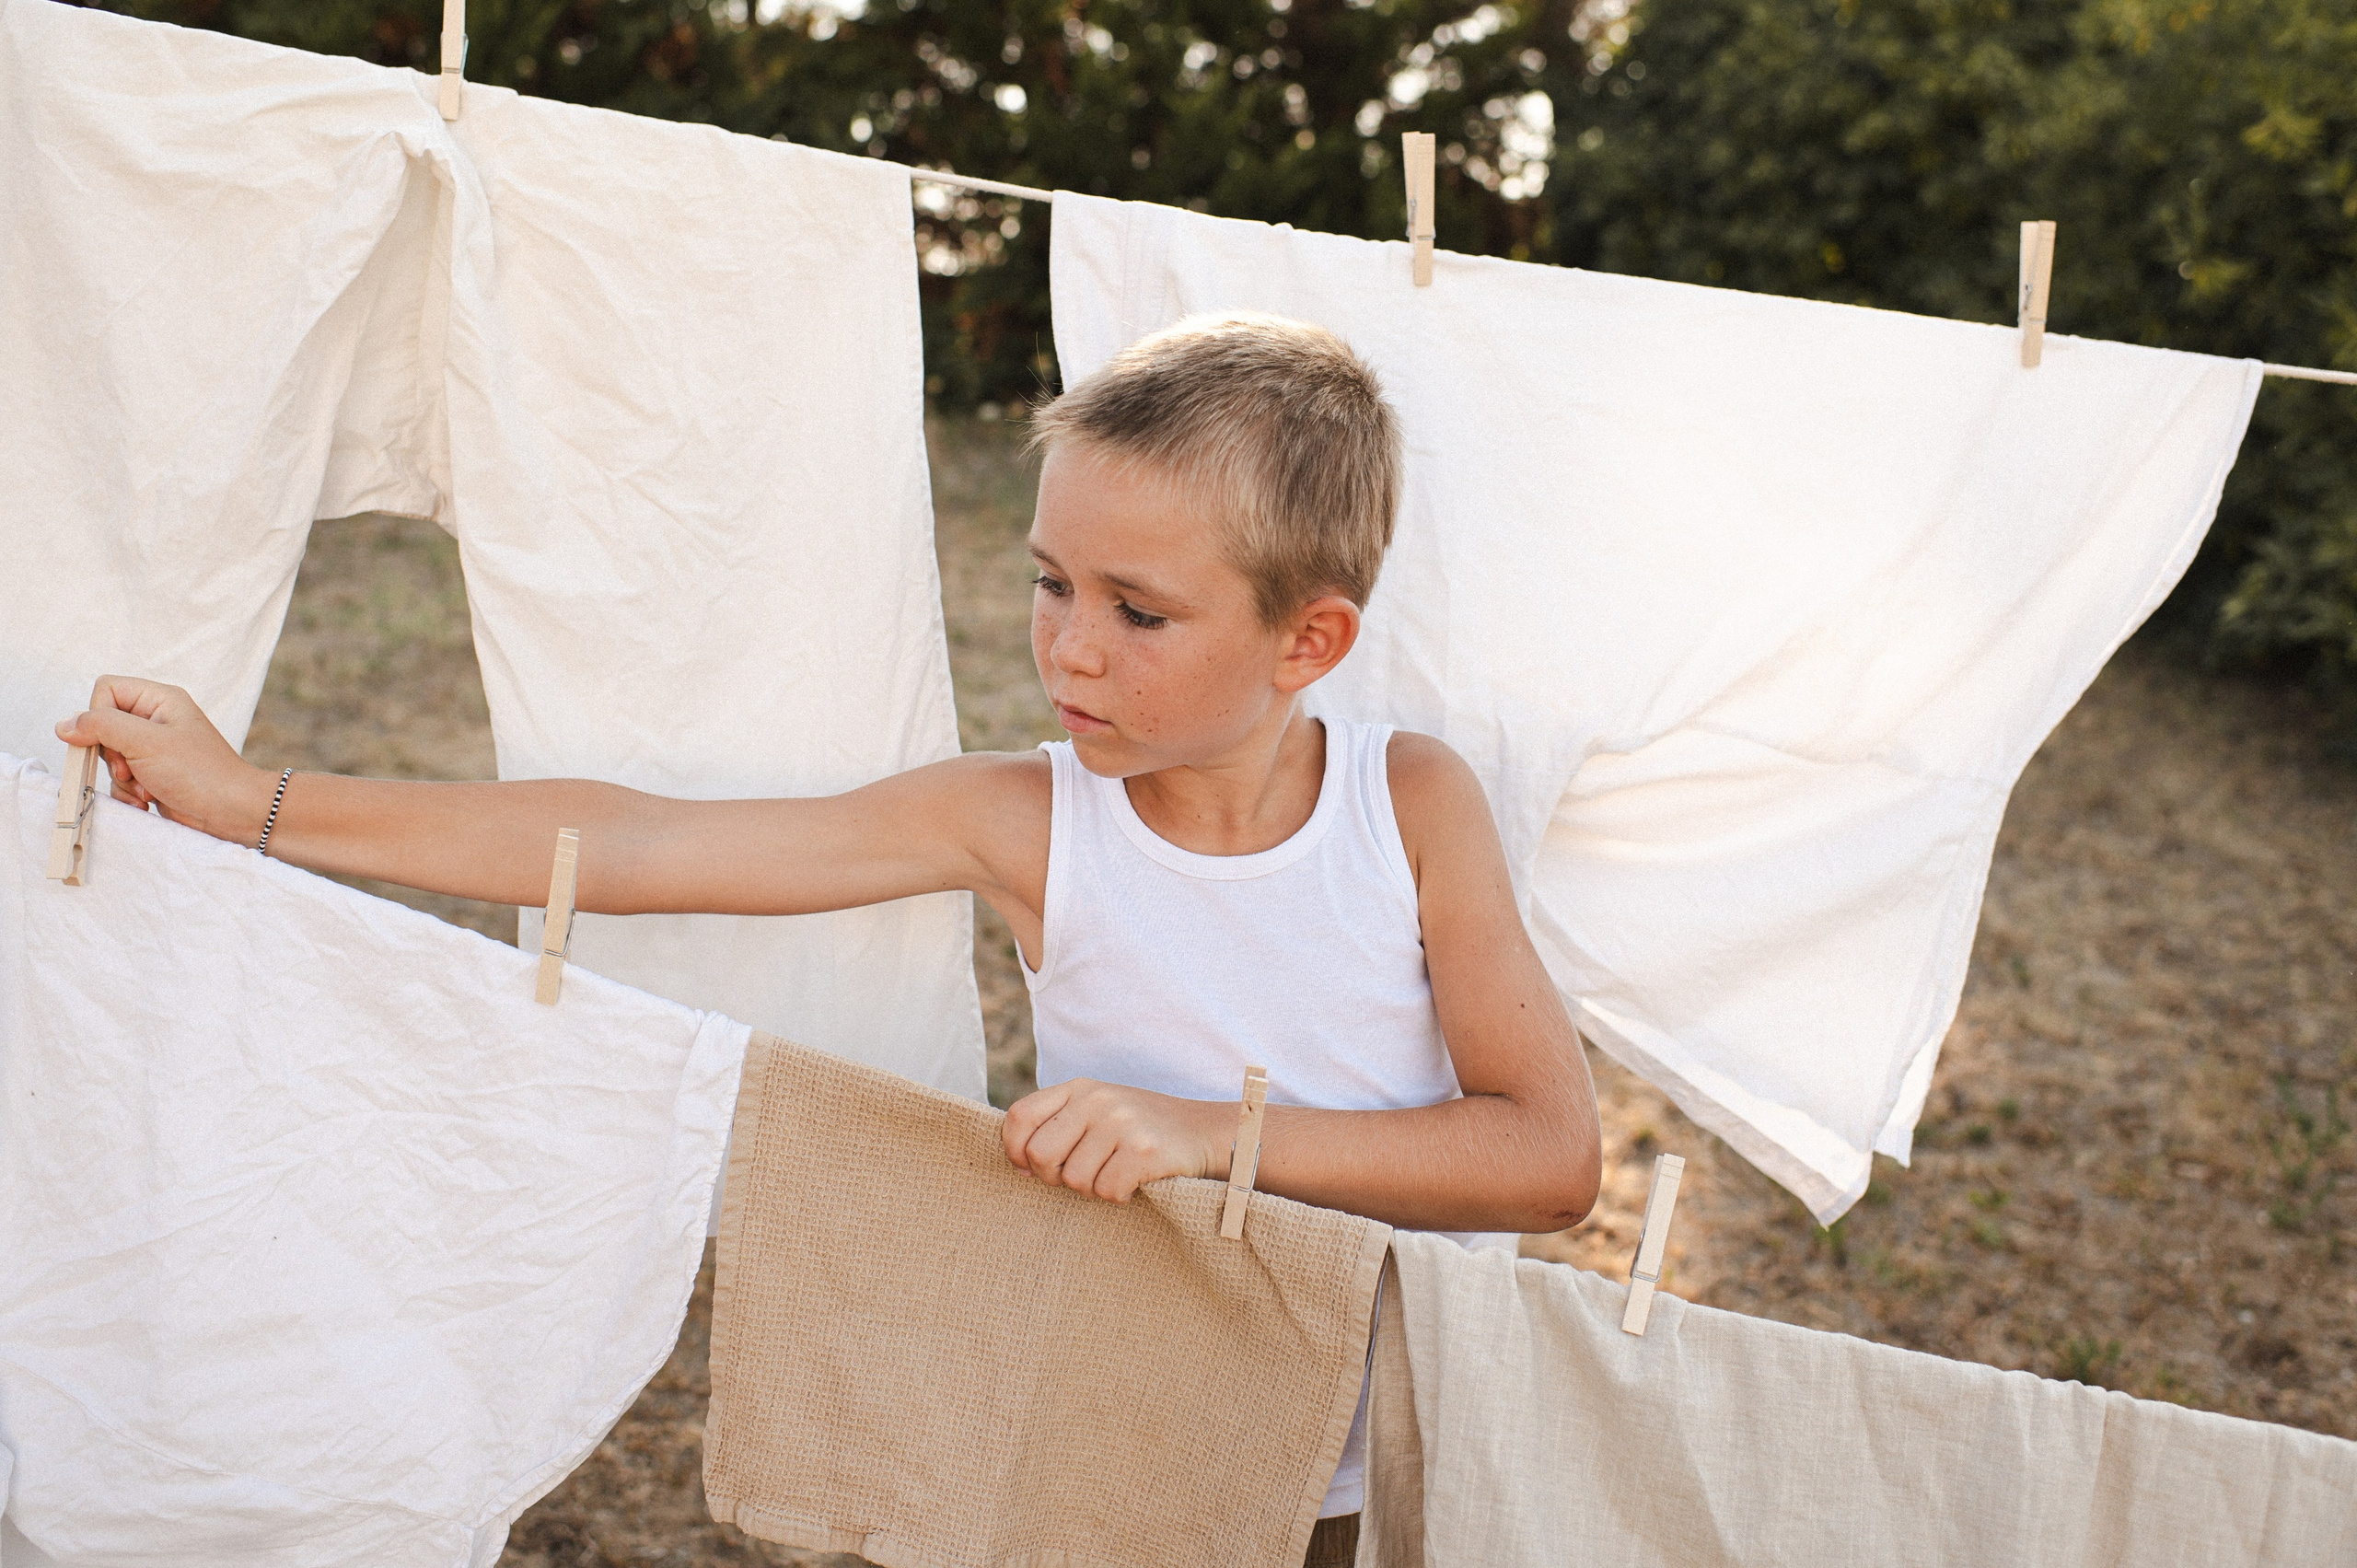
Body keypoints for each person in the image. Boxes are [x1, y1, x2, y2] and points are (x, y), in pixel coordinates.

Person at [57, 311, 1602, 1561]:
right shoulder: (1027, 820)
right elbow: (647, 844)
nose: (1068, 647)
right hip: (1126, 1431)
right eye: (1053, 585)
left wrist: (1210, 1135)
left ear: (1308, 639)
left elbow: (1546, 1153)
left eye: (1140, 613)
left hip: (1394, 1456)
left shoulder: (1408, 807)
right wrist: (255, 800)